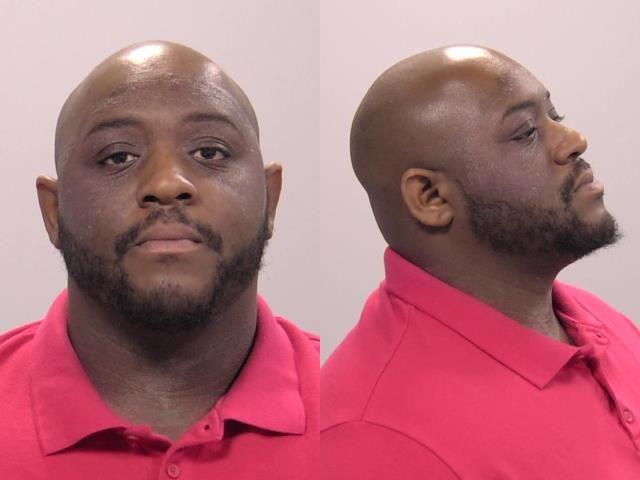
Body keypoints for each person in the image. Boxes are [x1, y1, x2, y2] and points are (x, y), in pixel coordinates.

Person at [0, 41, 318, 479]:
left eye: (210, 152)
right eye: (119, 156)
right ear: (54, 212)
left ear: (270, 200)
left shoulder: (360, 404)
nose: (167, 183)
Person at [321, 45, 639, 478]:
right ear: (432, 197)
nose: (574, 141)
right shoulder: (372, 441)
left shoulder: (598, 319)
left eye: (554, 116)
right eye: (526, 132)